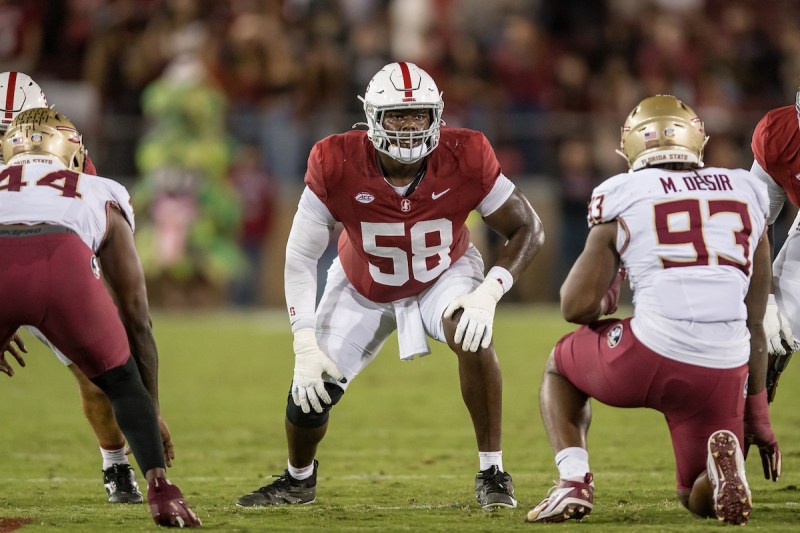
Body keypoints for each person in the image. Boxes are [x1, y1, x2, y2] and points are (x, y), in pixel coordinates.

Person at [236, 61, 545, 510]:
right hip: (364, 284)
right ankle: (298, 480)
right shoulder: (334, 159)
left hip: (445, 274)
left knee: (474, 336)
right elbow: (301, 256)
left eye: (418, 115)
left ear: (436, 116)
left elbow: (528, 228)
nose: (408, 126)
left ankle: (492, 470)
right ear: (372, 119)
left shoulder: (468, 154)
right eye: (397, 116)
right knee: (308, 395)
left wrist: (489, 292)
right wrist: (303, 343)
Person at [525, 95, 781, 525]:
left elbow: (575, 306)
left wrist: (609, 294)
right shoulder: (746, 189)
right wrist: (757, 413)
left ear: (630, 148)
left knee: (559, 365)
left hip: (651, 351)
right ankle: (718, 474)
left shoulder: (622, 192)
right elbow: (755, 321)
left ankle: (573, 482)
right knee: (694, 495)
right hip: (725, 362)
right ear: (698, 142)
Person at [0, 107, 200, 528]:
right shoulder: (97, 187)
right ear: (72, 152)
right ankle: (162, 491)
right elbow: (136, 312)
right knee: (118, 379)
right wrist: (149, 409)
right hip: (61, 263)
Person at [0, 70, 145, 504]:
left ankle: (116, 464)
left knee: (94, 375)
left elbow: (86, 225)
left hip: (54, 270)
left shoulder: (60, 150)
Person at [749, 87, 800, 401]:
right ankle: (751, 418)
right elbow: (755, 223)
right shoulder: (778, 136)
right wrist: (763, 301)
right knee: (774, 326)